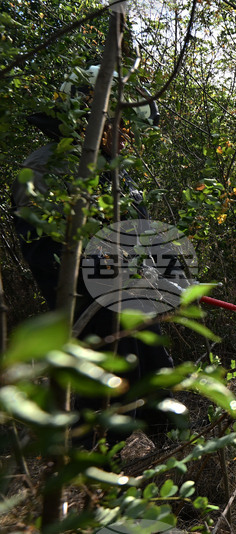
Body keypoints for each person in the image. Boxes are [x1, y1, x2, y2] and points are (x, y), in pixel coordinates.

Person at [11, 65, 175, 443]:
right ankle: (98, 488)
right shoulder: (44, 169)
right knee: (102, 408)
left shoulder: (115, 170)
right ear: (92, 114)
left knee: (157, 386)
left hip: (136, 308)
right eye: (121, 123)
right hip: (92, 319)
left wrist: (166, 277)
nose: (128, 137)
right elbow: (48, 259)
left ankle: (171, 462)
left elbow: (141, 234)